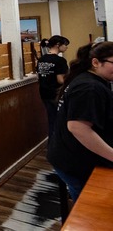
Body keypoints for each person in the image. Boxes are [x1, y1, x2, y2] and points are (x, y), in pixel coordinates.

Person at [47, 42, 113, 201]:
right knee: (88, 208)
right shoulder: (89, 87)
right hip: (73, 160)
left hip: (68, 154)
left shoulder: (88, 80)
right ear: (96, 63)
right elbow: (78, 128)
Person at [37, 35, 70, 137]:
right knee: (60, 122)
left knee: (52, 120)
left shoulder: (41, 59)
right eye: (65, 45)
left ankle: (51, 147)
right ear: (58, 45)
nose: (66, 47)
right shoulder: (60, 61)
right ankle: (58, 148)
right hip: (56, 94)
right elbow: (60, 80)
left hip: (44, 93)